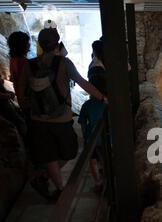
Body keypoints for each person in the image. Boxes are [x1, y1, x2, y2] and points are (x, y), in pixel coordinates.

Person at [18, 28, 107, 201]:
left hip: (38, 119)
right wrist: (102, 97)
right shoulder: (64, 63)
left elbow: (20, 89)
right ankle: (59, 188)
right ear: (58, 43)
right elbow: (82, 83)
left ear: (40, 45)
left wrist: (27, 109)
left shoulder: (29, 65)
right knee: (70, 151)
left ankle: (47, 179)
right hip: (61, 118)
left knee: (50, 154)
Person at [79, 40, 106, 193]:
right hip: (105, 136)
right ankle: (105, 176)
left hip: (92, 137)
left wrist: (85, 136)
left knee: (93, 159)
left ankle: (97, 182)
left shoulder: (87, 106)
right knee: (104, 155)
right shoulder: (106, 105)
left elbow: (82, 122)